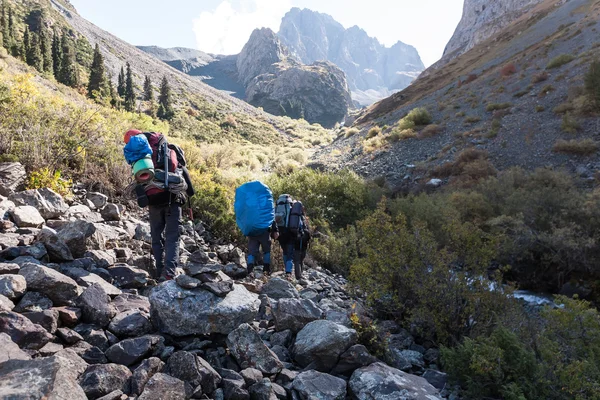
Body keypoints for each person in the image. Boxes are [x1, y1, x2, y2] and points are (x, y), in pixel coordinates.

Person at [124, 129, 193, 281]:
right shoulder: (170, 152)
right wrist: (189, 196)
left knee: (156, 236)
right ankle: (168, 273)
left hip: (153, 200)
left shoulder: (142, 156)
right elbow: (188, 182)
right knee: (172, 237)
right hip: (172, 199)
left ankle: (159, 269)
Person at [275, 195, 309, 280]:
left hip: (280, 233)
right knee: (290, 254)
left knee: (285, 252)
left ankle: (286, 269)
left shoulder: (278, 208)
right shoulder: (293, 211)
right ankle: (288, 272)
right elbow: (299, 224)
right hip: (290, 234)